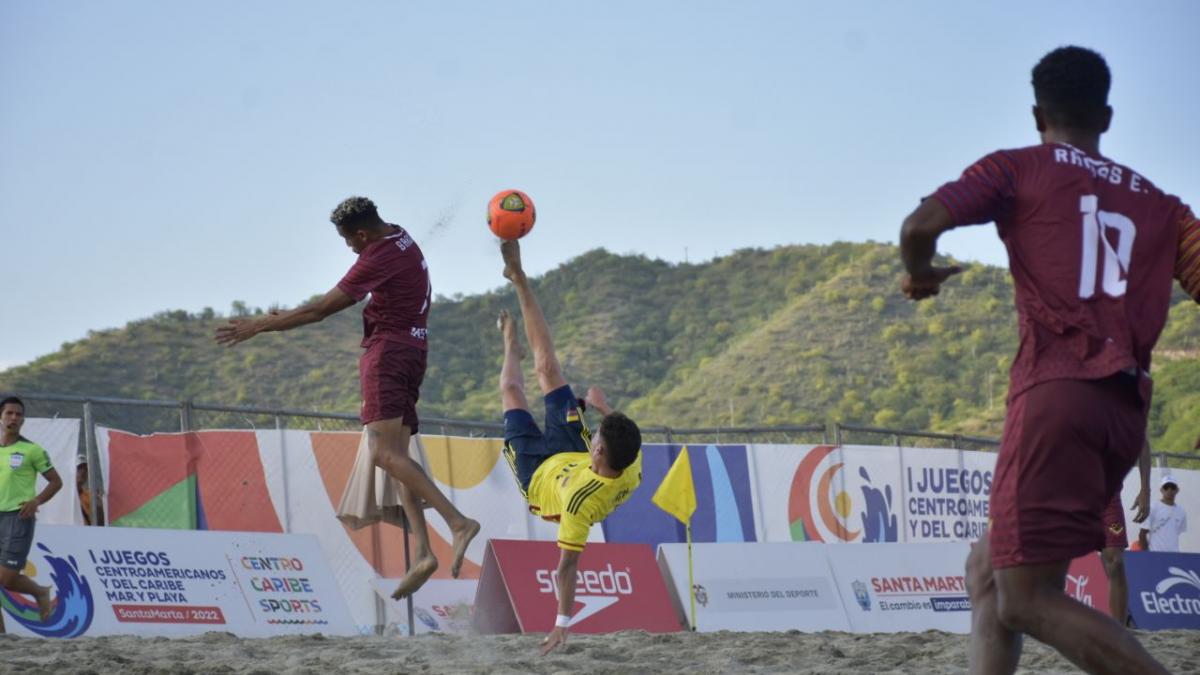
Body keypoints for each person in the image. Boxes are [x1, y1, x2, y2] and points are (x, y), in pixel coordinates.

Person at [899, 46, 1200, 674]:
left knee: (1025, 598)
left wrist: (922, 275)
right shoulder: (1163, 206)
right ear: (1108, 117)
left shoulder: (1017, 168)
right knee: (988, 570)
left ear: (1038, 113)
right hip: (1123, 411)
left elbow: (919, 226)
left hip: (1056, 392)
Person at [216, 196, 479, 598]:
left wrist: (259, 327)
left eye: (348, 241)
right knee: (397, 456)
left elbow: (321, 310)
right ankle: (424, 553)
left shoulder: (376, 255)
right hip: (413, 351)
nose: (348, 249)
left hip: (388, 356)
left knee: (383, 454)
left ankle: (458, 523)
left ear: (361, 233)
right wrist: (280, 317)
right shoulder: (400, 236)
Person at [496, 239, 642, 656]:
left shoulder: (580, 506)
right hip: (568, 452)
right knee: (547, 368)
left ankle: (510, 346)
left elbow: (567, 568)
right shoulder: (629, 462)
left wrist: (562, 623)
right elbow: (622, 431)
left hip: (540, 479)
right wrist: (602, 408)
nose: (594, 432)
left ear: (597, 452)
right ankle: (520, 279)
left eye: (595, 434)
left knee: (511, 388)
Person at [0, 396, 62, 633]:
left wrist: (36, 501)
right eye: (9, 413)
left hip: (18, 518)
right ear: (1, 417)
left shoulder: (32, 450)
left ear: (23, 420)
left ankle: (39, 592)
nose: (14, 418)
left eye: (18, 414)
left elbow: (56, 482)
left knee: (6, 579)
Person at [1099, 441, 1150, 626]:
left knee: (1116, 562)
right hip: (1072, 493)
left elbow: (1142, 443)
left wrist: (1145, 489)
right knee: (1056, 560)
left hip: (1108, 497)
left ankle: (1119, 631)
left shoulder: (1121, 411)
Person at [1139, 476, 1188, 553]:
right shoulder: (1152, 507)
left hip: (1174, 555)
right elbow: (1142, 534)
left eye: (1172, 487)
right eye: (1166, 487)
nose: (1169, 490)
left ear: (1177, 490)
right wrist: (1147, 555)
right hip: (1155, 554)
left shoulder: (1181, 511)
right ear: (1161, 490)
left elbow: (1176, 533)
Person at [76, 454, 105, 526]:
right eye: (79, 468)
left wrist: (99, 505)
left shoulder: (90, 496)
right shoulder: (62, 495)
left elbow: (100, 524)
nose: (83, 471)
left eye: (86, 469)